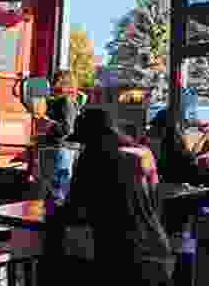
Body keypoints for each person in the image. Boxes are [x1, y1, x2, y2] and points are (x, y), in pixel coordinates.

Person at [68, 108, 174, 286]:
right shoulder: (143, 152)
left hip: (123, 255)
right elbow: (155, 200)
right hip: (158, 247)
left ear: (92, 136)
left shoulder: (91, 158)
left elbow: (75, 208)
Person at [36, 70, 80, 199]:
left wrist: (49, 124)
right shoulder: (56, 101)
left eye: (56, 80)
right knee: (51, 189)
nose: (52, 83)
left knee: (57, 189)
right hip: (53, 148)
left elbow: (67, 129)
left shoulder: (66, 102)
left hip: (60, 149)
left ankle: (55, 216)